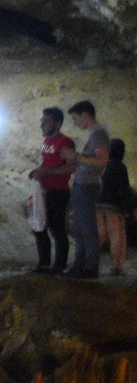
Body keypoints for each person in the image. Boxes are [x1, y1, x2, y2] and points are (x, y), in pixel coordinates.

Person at [66, 100, 110, 278]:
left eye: (76, 118)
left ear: (85, 115)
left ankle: (90, 267)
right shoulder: (96, 134)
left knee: (86, 227)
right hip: (83, 184)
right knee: (80, 227)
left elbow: (102, 161)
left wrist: (77, 156)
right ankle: (80, 266)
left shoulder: (99, 134)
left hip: (87, 185)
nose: (75, 123)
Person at [28, 106, 76, 273]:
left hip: (58, 191)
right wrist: (38, 171)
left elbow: (71, 167)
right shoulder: (47, 142)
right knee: (39, 225)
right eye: (41, 121)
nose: (42, 125)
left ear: (57, 123)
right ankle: (44, 263)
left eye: (46, 122)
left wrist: (46, 172)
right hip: (44, 190)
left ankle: (59, 265)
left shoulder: (65, 142)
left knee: (57, 228)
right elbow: (48, 163)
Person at [98, 137, 132, 276]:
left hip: (99, 204)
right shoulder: (120, 167)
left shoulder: (104, 165)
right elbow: (124, 189)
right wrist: (129, 208)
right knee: (117, 236)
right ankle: (116, 267)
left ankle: (88, 261)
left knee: (100, 235)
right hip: (114, 206)